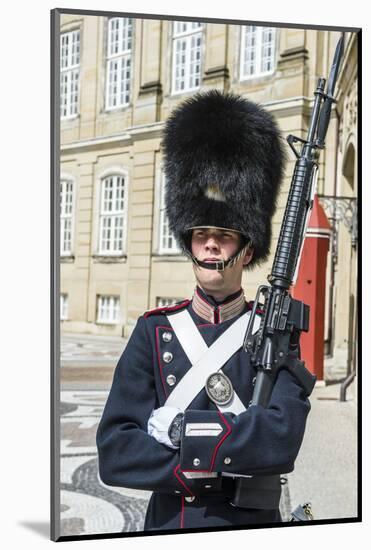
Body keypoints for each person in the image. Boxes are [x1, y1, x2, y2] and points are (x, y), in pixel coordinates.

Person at [96, 90, 312, 531]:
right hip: (172, 524)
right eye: (201, 233)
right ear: (189, 242)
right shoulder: (154, 332)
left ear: (247, 246)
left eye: (225, 234)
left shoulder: (272, 332)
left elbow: (282, 439)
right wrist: (226, 448)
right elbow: (116, 451)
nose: (211, 243)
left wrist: (179, 432)